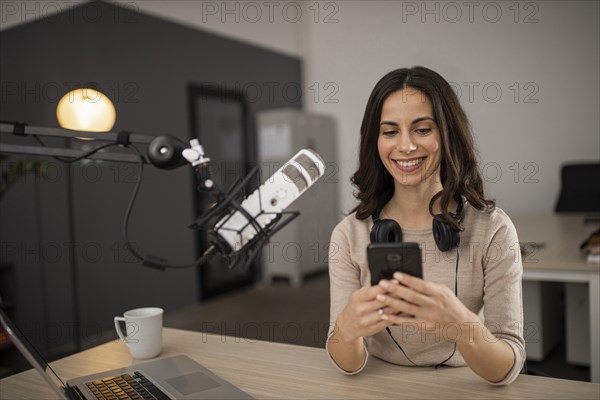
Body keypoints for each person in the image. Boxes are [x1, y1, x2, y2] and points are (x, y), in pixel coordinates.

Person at [326, 66, 525, 385]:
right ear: (375, 141)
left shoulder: (493, 229)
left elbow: (506, 366)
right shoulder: (349, 233)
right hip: (381, 386)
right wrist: (346, 330)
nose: (405, 146)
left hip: (464, 386)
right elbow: (346, 364)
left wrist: (462, 326)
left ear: (448, 135)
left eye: (422, 129)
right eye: (390, 132)